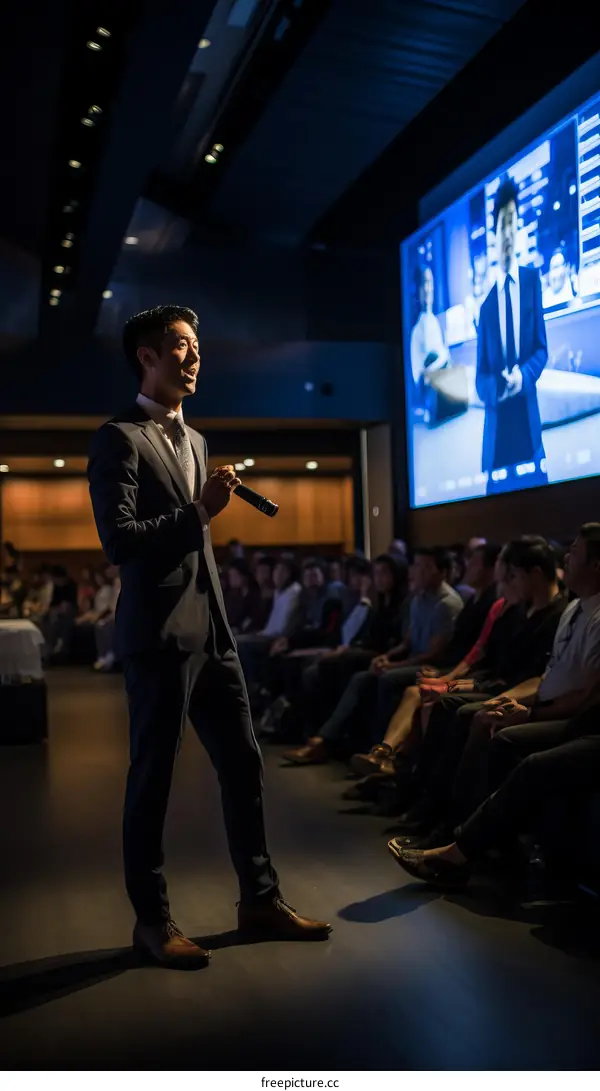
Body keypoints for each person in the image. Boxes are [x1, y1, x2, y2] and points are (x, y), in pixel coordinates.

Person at [88, 304, 330, 968]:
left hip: (214, 629)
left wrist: (200, 515)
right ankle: (152, 919)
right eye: (184, 347)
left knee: (245, 764)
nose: (197, 358)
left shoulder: (195, 442)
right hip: (160, 636)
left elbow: (195, 544)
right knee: (154, 780)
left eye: (197, 347)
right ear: (147, 355)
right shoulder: (119, 437)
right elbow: (119, 543)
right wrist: (198, 512)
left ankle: (259, 897)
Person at [476, 175, 548, 495]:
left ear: (519, 230)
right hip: (498, 430)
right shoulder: (487, 307)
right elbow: (480, 379)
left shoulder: (532, 283)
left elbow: (541, 350)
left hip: (528, 423)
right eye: (503, 224)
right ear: (494, 234)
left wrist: (523, 376)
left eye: (513, 223)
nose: (509, 232)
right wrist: (499, 388)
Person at [410, 265, 450, 422]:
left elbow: (444, 354)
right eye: (423, 283)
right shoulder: (417, 330)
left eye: (430, 283)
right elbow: (419, 375)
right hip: (432, 404)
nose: (427, 289)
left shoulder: (434, 321)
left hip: (446, 400)